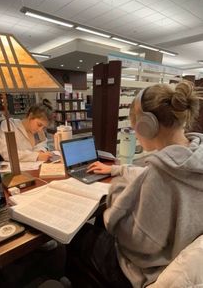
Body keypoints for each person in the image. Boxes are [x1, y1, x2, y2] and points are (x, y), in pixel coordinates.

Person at [69, 80, 203, 288]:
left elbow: (139, 244)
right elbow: (154, 173)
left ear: (147, 126)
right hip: (180, 252)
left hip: (147, 270)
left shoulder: (159, 176)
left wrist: (116, 194)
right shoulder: (192, 159)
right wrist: (117, 169)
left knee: (79, 238)